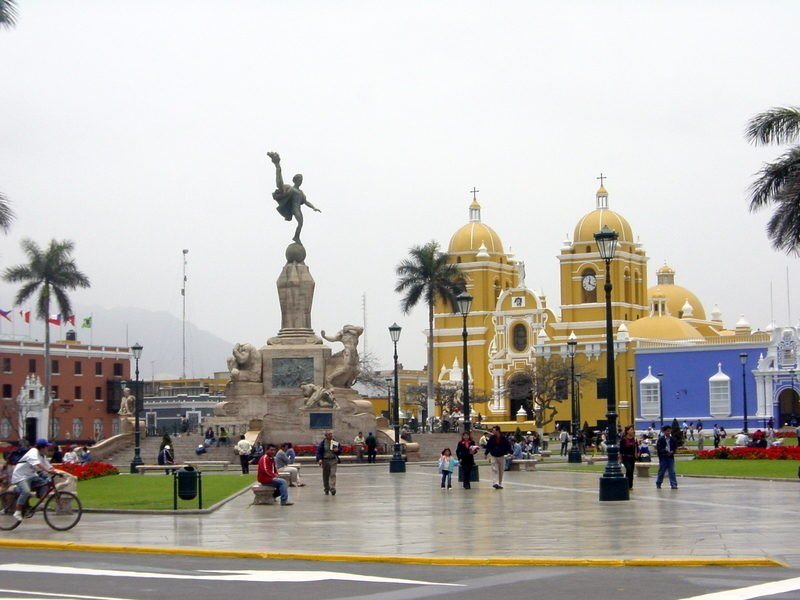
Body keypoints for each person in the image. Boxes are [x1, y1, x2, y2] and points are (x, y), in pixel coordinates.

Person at [267, 151, 321, 244]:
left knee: (301, 223)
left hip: (298, 209)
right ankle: (277, 165)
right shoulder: (290, 188)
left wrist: (314, 208)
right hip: (294, 208)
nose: (301, 181)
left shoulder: (301, 192)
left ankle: (296, 237)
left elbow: (306, 202)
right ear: (296, 180)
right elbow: (280, 185)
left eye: (302, 180)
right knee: (300, 222)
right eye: (300, 179)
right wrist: (278, 167)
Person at [10, 438, 59, 522]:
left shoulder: (42, 455)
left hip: (31, 476)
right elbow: (37, 464)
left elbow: (48, 465)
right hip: (21, 476)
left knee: (45, 483)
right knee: (26, 491)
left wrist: (57, 472)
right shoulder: (33, 452)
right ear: (42, 447)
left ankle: (35, 503)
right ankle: (17, 511)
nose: (48, 449)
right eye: (47, 447)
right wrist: (47, 471)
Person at [316, 431, 341, 495]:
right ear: (326, 436)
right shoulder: (323, 443)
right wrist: (320, 459)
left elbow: (340, 451)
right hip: (325, 460)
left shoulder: (334, 442)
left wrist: (337, 451)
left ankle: (332, 488)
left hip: (333, 460)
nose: (331, 436)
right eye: (329, 435)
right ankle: (326, 488)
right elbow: (319, 452)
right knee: (326, 475)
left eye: (331, 435)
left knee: (332, 474)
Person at [655, 425, 679, 489]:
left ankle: (673, 484)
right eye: (667, 431)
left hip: (670, 457)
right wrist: (665, 452)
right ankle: (658, 482)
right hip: (663, 457)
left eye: (669, 431)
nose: (668, 432)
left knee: (672, 471)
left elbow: (675, 447)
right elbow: (659, 448)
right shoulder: (661, 439)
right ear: (664, 431)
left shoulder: (673, 439)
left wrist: (672, 451)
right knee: (662, 471)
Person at [619, 425, 639, 490]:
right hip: (625, 457)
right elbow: (621, 449)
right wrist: (621, 458)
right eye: (631, 430)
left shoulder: (634, 439)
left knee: (631, 471)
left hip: (632, 458)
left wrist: (638, 453)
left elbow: (637, 447)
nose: (632, 431)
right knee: (629, 469)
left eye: (632, 430)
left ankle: (630, 485)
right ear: (627, 431)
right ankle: (626, 484)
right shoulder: (624, 439)